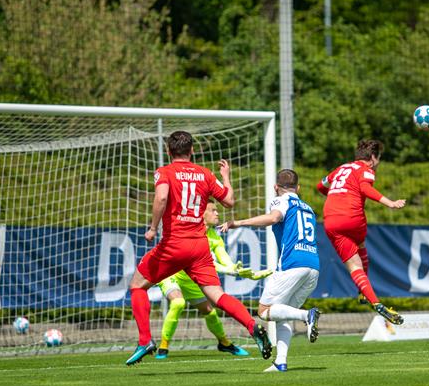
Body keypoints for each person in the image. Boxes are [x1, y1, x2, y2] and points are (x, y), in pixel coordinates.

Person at [125, 131, 271, 366]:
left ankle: (145, 341)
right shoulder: (204, 174)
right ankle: (253, 327)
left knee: (137, 286)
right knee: (217, 296)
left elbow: (161, 198)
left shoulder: (165, 172)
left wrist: (153, 227)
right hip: (200, 246)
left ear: (168, 151)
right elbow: (229, 201)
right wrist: (226, 177)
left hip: (174, 244)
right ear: (192, 150)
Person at [222, 169, 321, 373]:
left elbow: (274, 218)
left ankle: (306, 316)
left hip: (292, 264)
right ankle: (280, 362)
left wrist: (238, 223)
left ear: (276, 187)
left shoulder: (281, 200)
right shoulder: (308, 208)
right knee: (281, 314)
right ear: (298, 188)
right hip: (313, 266)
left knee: (265, 311)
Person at [155, 202, 273, 360]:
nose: (217, 213)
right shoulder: (186, 231)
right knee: (178, 303)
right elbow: (202, 260)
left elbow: (225, 260)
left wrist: (236, 270)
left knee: (209, 311)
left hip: (192, 279)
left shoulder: (214, 237)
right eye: (213, 210)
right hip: (172, 274)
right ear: (200, 213)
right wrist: (227, 269)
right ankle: (163, 346)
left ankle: (224, 343)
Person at [317, 140, 406, 325]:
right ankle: (363, 293)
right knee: (361, 247)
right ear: (372, 158)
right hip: (352, 218)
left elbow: (320, 186)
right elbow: (365, 188)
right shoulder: (366, 169)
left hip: (331, 220)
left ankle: (373, 300)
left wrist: (337, 193)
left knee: (353, 266)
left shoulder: (340, 169)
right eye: (378, 158)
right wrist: (390, 203)